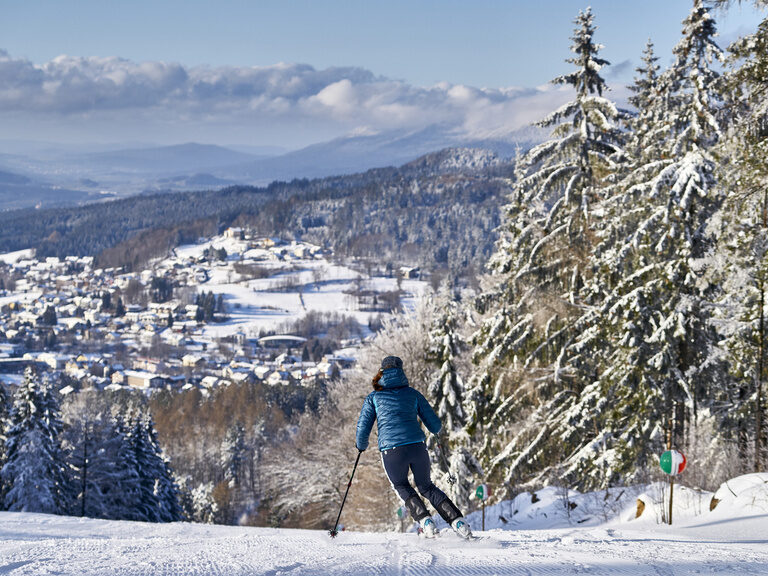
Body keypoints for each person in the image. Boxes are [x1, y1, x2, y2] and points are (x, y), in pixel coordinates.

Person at [356, 355, 472, 539]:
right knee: (426, 486)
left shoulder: (374, 398)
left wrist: (360, 446)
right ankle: (458, 521)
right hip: (417, 447)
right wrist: (435, 430)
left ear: (381, 373)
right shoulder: (413, 394)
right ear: (401, 372)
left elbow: (363, 427)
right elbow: (435, 425)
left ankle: (425, 521)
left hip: (392, 451)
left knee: (401, 485)